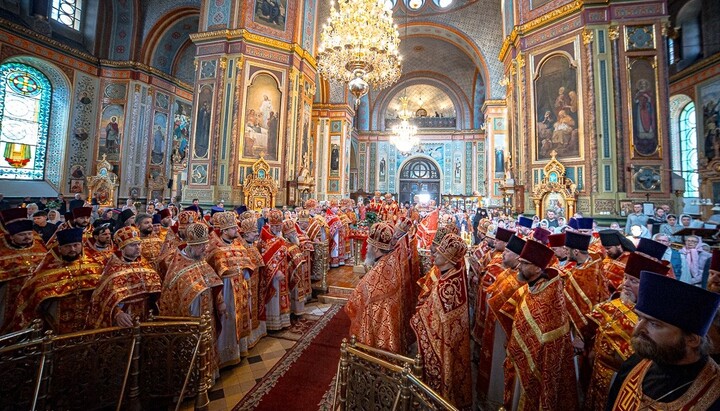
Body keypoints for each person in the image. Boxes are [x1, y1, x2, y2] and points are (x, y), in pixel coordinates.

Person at [606, 271, 720, 409]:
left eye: (654, 324)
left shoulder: (715, 393)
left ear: (692, 339)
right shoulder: (633, 365)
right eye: (640, 318)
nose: (638, 328)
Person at [583, 253, 670, 410]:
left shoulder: (656, 320)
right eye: (625, 278)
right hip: (598, 373)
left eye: (634, 281)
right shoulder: (611, 306)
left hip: (626, 378)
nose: (625, 284)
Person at [504, 239, 578, 410]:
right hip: (518, 361)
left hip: (537, 367)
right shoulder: (531, 289)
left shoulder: (549, 296)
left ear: (538, 268)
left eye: (524, 263)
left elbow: (546, 339)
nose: (519, 266)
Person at [410, 233, 471, 408]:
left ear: (447, 259)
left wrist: (417, 319)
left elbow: (431, 317)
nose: (434, 255)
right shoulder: (453, 276)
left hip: (442, 343)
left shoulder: (448, 285)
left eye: (439, 254)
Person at [14, 228, 104, 334]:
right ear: (60, 248)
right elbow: (33, 294)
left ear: (81, 245)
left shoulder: (94, 264)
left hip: (87, 318)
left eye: (76, 245)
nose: (72, 249)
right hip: (56, 319)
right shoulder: (48, 266)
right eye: (67, 246)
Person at [346, 221, 412, 354]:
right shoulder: (392, 259)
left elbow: (355, 302)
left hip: (376, 324)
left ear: (375, 249)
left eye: (369, 245)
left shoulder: (377, 273)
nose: (366, 248)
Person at [207, 211, 256, 366]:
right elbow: (215, 275)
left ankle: (240, 350)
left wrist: (246, 284)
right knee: (229, 320)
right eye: (233, 228)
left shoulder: (238, 245)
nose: (237, 230)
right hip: (227, 290)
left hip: (240, 287)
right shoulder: (216, 249)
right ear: (224, 230)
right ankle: (226, 356)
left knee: (241, 317)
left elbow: (247, 264)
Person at [87, 226, 162, 328]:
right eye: (132, 245)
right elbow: (102, 299)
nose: (137, 248)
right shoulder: (113, 269)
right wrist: (117, 313)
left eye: (139, 244)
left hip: (146, 317)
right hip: (125, 320)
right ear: (121, 247)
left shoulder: (145, 264)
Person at [0, 208, 47, 333]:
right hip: (9, 296)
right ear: (11, 236)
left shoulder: (37, 242)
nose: (27, 237)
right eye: (22, 235)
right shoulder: (2, 247)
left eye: (29, 233)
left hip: (36, 296)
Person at [259, 209, 291, 330]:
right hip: (272, 274)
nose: (278, 228)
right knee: (275, 296)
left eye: (279, 225)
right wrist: (275, 271)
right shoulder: (265, 235)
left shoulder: (279, 235)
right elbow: (264, 257)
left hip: (283, 269)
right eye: (275, 226)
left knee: (282, 295)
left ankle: (283, 321)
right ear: (270, 224)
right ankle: (273, 324)